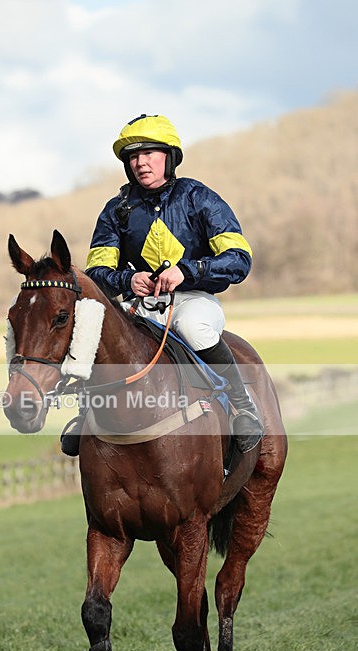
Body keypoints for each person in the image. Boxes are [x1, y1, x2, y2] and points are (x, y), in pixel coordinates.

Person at [61, 113, 263, 456]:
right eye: (134, 157)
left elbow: (238, 259)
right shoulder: (116, 210)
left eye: (149, 154)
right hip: (138, 306)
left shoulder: (199, 197)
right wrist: (128, 278)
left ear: (169, 157)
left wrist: (189, 271)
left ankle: (242, 407)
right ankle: (86, 412)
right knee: (94, 326)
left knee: (193, 326)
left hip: (193, 298)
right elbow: (96, 272)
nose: (141, 163)